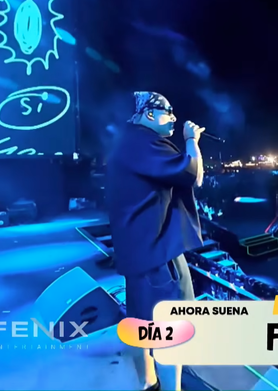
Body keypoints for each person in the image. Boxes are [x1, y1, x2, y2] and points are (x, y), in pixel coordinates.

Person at [107, 91, 205, 391]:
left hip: (138, 253)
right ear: (150, 114)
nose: (174, 118)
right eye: (168, 112)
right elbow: (193, 174)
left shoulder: (128, 142)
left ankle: (148, 383)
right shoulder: (146, 143)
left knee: (141, 324)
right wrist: (191, 140)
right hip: (157, 253)